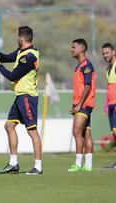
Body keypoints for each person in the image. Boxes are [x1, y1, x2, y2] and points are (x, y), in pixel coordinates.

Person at [0, 26, 42, 175]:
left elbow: (13, 76)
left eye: (17, 37)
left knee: (32, 131)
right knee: (9, 126)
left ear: (20, 39)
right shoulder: (21, 52)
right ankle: (13, 163)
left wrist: (0, 67)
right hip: (20, 96)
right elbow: (3, 57)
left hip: (27, 97)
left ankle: (38, 166)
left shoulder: (29, 57)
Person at [67, 39, 96, 172]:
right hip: (81, 104)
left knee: (76, 131)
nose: (71, 49)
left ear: (81, 49)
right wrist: (75, 105)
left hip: (84, 105)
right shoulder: (79, 66)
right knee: (86, 133)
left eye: (73, 47)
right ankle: (88, 165)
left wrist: (79, 105)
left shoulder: (86, 66)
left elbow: (88, 86)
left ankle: (78, 164)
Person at [101, 42, 116, 170]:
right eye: (103, 53)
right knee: (114, 134)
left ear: (113, 52)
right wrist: (106, 106)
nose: (105, 55)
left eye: (107, 53)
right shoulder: (108, 69)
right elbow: (109, 88)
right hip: (111, 106)